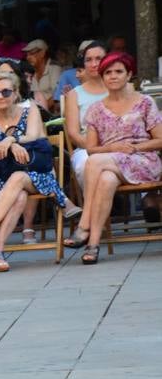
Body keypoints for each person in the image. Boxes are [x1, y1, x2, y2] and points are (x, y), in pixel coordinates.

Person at [70, 52, 162, 264]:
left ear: (129, 74)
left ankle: (84, 224)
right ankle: (93, 245)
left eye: (119, 71)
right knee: (106, 180)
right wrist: (113, 147)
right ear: (102, 77)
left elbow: (160, 140)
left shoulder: (145, 102)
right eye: (108, 72)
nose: (113, 76)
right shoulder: (95, 109)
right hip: (111, 162)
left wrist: (133, 147)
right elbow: (92, 148)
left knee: (94, 163)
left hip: (143, 160)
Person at [0, 71, 70, 271]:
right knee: (19, 197)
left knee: (18, 177)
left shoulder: (30, 108)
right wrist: (14, 145)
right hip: (8, 178)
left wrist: (9, 140)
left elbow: (33, 135)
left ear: (16, 93)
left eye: (6, 92)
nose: (0, 96)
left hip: (41, 176)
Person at [62, 41, 109, 195]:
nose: (94, 64)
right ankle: (93, 207)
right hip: (87, 147)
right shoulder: (74, 94)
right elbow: (74, 134)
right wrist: (96, 148)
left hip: (120, 143)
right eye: (88, 60)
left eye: (98, 58)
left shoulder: (120, 87)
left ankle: (149, 198)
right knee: (84, 164)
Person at [23, 39, 62, 114]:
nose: (28, 57)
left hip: (52, 115)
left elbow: (58, 93)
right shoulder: (30, 72)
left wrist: (42, 111)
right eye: (27, 55)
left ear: (42, 53)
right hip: (35, 113)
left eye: (31, 53)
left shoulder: (54, 68)